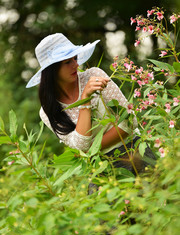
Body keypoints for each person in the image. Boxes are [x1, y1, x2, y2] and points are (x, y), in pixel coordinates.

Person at [26, 33, 156, 174]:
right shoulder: (47, 111)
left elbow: (130, 121)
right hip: (101, 167)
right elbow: (80, 146)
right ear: (52, 70)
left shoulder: (93, 76)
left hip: (134, 151)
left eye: (75, 58)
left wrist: (91, 149)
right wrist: (85, 100)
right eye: (68, 62)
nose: (76, 64)